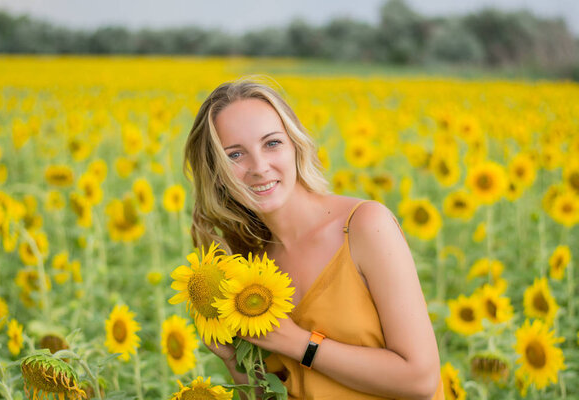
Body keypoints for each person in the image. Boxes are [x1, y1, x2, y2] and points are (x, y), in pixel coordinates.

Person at [183, 77, 444, 400]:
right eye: (235, 155)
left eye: (272, 143)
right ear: (216, 173)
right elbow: (271, 394)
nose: (259, 167)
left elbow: (420, 380)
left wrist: (295, 342)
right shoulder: (246, 264)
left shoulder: (363, 227)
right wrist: (235, 360)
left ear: (296, 144)